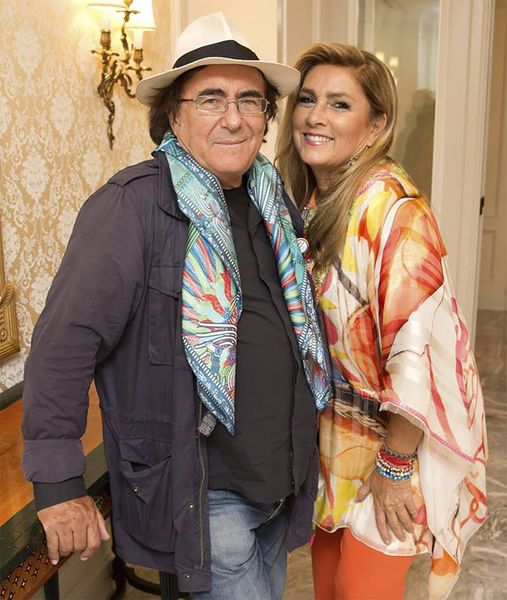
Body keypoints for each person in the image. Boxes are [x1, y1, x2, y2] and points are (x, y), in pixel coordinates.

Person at [21, 13, 331, 599]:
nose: (234, 118)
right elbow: (63, 348)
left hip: (280, 479)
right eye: (211, 98)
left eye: (250, 100)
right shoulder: (130, 207)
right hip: (208, 494)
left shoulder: (273, 199)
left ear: (266, 117)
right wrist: (59, 486)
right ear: (172, 115)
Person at [276, 43, 487, 600]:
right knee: (329, 585)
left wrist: (394, 466)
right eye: (308, 99)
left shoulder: (394, 211)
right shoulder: (313, 202)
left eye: (340, 104)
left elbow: (418, 355)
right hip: (333, 437)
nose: (315, 116)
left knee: (360, 588)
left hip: (396, 440)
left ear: (376, 126)